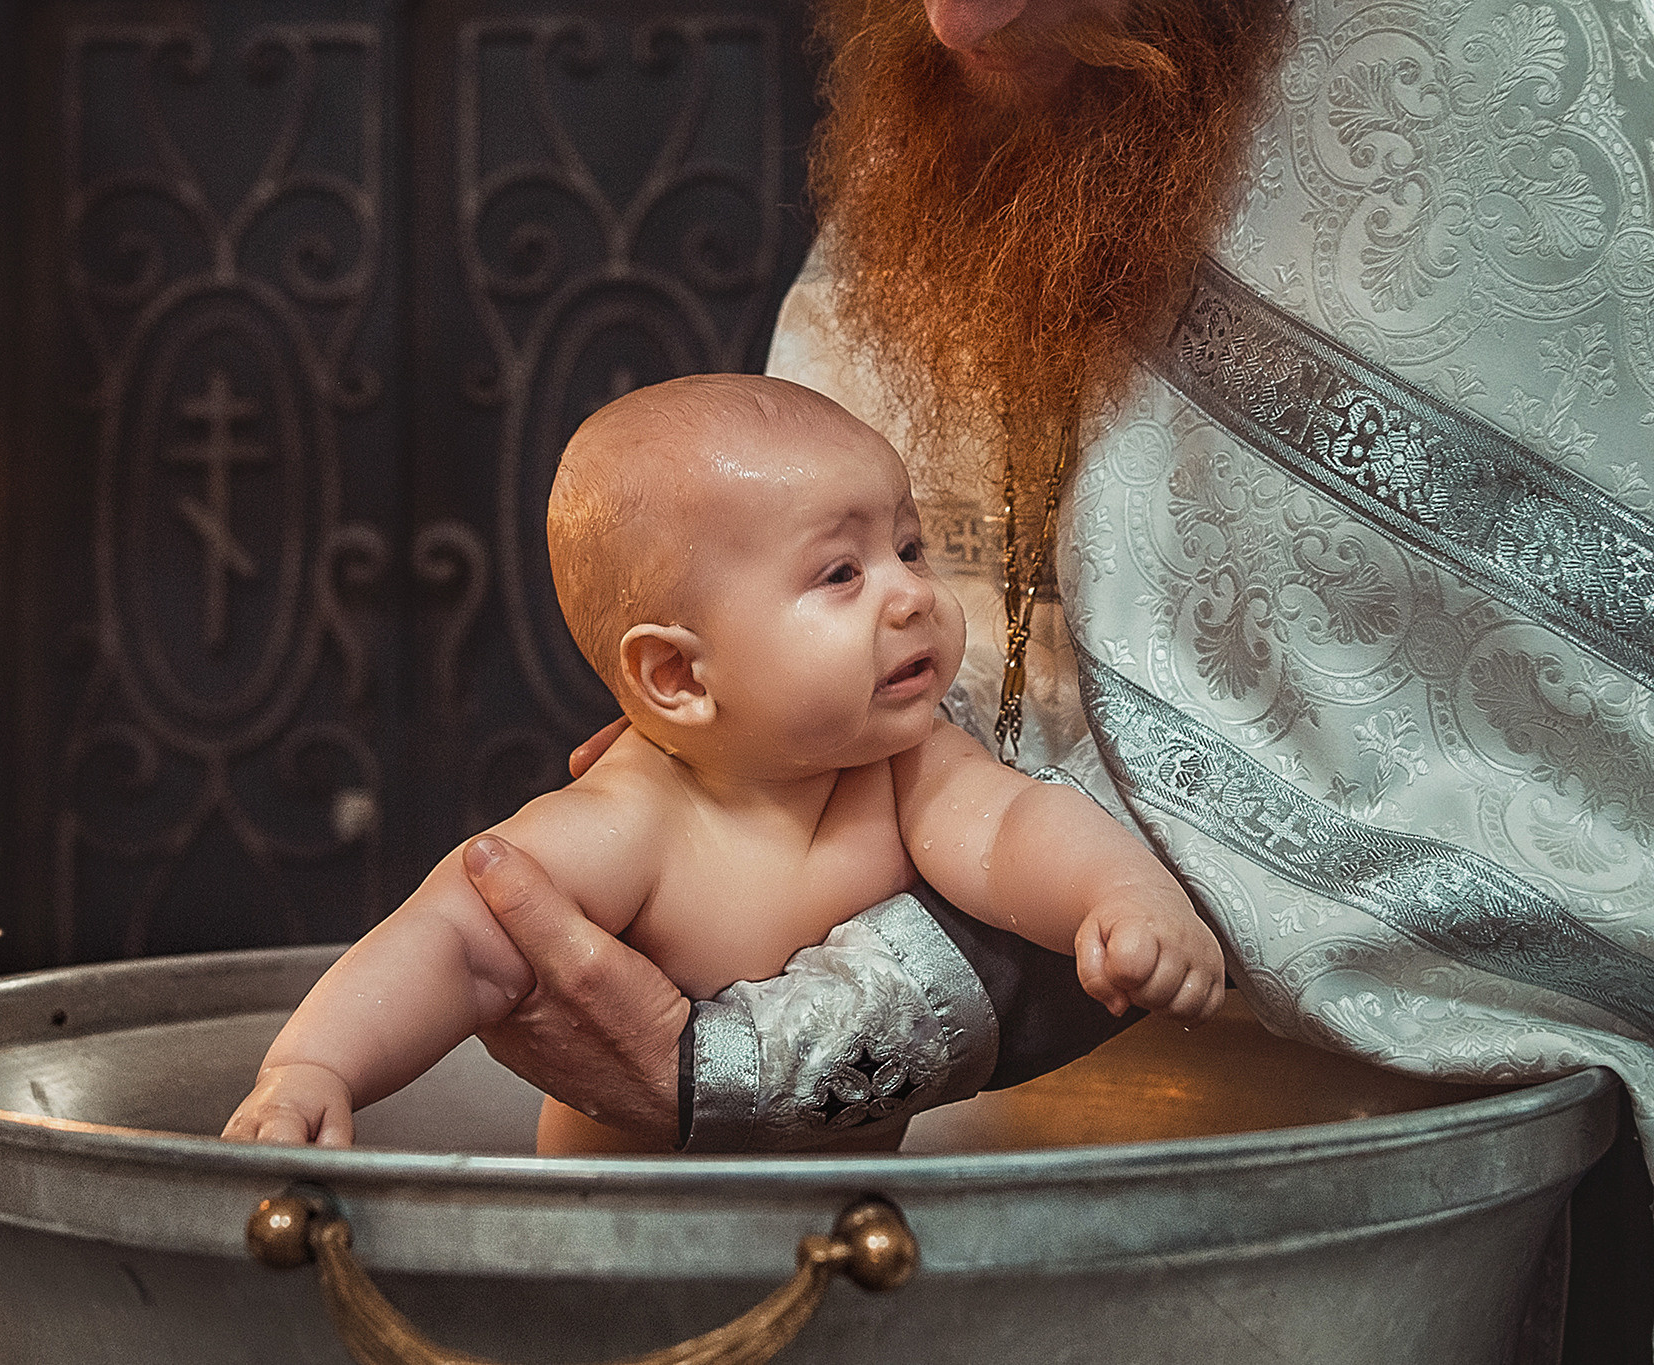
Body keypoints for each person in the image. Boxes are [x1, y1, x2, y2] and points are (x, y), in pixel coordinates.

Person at [450, 0, 1654, 1303]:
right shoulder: (964, 78)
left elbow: (1498, 765)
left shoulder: (1506, 64)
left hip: (1459, 1158)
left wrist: (791, 1038)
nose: (959, 18)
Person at [223, 374, 1223, 1151]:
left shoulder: (903, 767)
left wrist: (1121, 900)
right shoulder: (633, 822)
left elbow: (1014, 833)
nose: (910, 595)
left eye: (908, 550)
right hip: (621, 1262)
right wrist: (311, 1069)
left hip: (834, 1264)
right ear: (677, 676)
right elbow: (452, 941)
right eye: (841, 572)